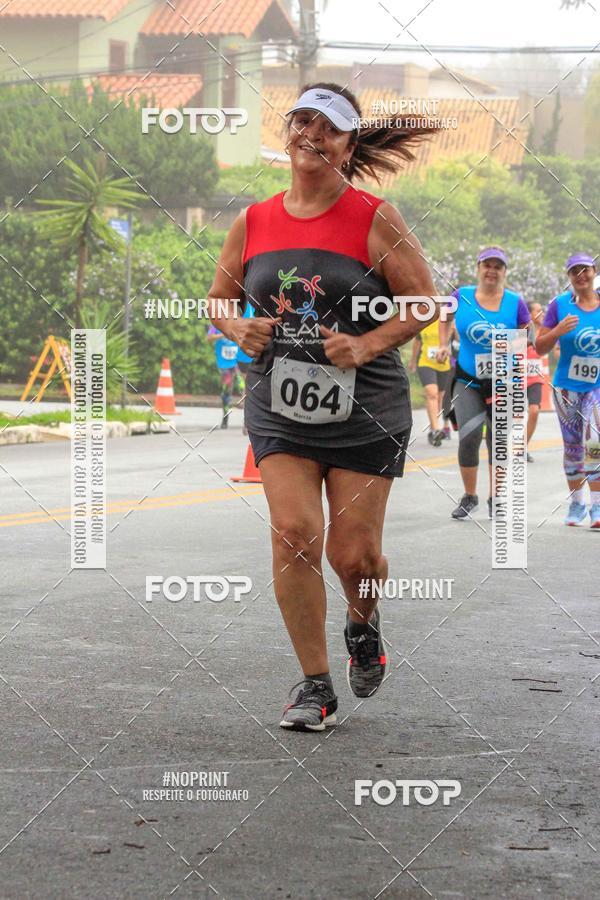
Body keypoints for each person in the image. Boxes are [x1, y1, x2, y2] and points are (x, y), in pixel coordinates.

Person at [207, 83, 439, 730]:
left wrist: (366, 343)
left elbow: (423, 301)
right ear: (289, 132)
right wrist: (235, 326)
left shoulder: (374, 217)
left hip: (367, 406)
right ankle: (315, 685)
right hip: (279, 402)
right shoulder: (254, 221)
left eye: (329, 127)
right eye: (303, 120)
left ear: (348, 146)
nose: (312, 134)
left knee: (354, 556)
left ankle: (363, 625)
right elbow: (219, 298)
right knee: (294, 534)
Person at [438, 247, 530, 520]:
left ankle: (496, 498)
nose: (492, 271)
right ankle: (470, 496)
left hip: (504, 381)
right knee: (469, 436)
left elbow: (527, 334)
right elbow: (444, 317)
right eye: (487, 265)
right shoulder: (461, 296)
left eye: (497, 266)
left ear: (504, 272)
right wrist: (443, 344)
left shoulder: (515, 302)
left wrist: (513, 347)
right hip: (468, 379)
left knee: (497, 440)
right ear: (478, 268)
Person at [536, 253, 600, 527]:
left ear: (594, 272)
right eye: (575, 271)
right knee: (573, 448)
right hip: (566, 388)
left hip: (597, 386)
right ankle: (577, 504)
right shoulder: (559, 305)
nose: (581, 275)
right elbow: (540, 347)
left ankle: (597, 507)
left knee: (594, 442)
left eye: (585, 270)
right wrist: (557, 331)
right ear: (569, 277)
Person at [408, 318, 451, 446]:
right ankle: (436, 429)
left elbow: (458, 341)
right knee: (432, 393)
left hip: (443, 364)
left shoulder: (449, 321)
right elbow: (417, 342)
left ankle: (433, 427)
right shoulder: (424, 320)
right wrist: (413, 361)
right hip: (425, 363)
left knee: (439, 397)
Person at [206, 323, 240, 428]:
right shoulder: (216, 324)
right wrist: (223, 335)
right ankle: (225, 417)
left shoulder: (239, 320)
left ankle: (247, 422)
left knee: (244, 388)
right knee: (227, 390)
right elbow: (209, 338)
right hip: (224, 364)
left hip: (239, 362)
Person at [525, 301, 546, 463]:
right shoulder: (522, 329)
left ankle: (522, 447)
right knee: (514, 416)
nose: (542, 314)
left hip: (535, 379)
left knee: (534, 411)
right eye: (538, 311)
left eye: (542, 310)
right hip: (516, 377)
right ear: (529, 314)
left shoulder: (546, 331)